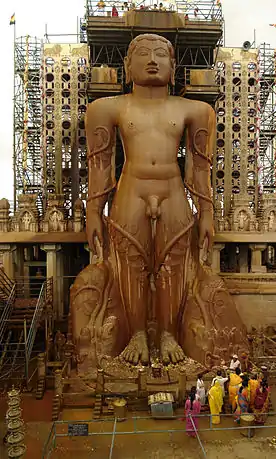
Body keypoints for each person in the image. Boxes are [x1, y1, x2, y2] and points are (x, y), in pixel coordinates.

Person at [85, 33, 215, 365]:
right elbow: (99, 163)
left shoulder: (195, 110)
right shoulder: (106, 108)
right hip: (132, 187)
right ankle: (138, 333)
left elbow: (200, 168)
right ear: (127, 66)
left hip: (172, 188)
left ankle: (169, 333)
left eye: (161, 54)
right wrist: (93, 211)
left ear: (174, 67)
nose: (153, 59)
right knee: (130, 263)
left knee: (173, 265)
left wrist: (206, 213)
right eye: (143, 53)